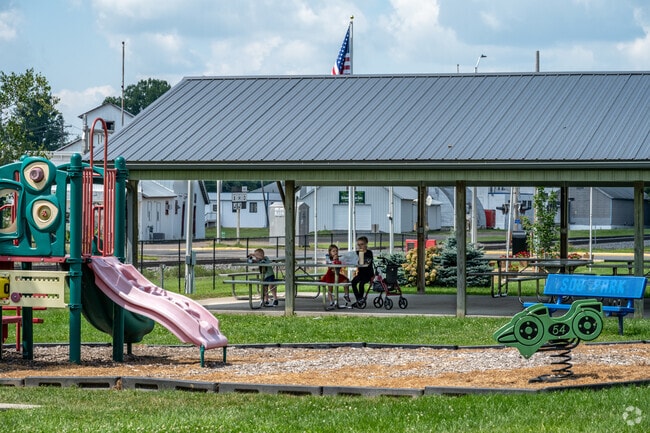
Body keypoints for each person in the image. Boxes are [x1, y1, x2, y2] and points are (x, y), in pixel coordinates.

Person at [321, 244, 349, 309]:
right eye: (333, 251)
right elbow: (329, 266)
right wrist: (333, 260)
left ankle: (346, 295)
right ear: (330, 252)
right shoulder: (328, 258)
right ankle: (331, 300)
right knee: (330, 287)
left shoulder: (339, 257)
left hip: (337, 274)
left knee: (346, 280)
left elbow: (342, 264)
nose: (335, 252)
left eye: (336, 251)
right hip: (330, 274)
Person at [350, 236, 374, 308]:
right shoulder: (357, 252)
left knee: (361, 284)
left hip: (368, 274)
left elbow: (366, 262)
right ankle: (359, 299)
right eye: (359, 245)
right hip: (361, 273)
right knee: (353, 282)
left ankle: (360, 301)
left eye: (362, 244)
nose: (360, 246)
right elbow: (353, 260)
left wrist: (361, 254)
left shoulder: (369, 253)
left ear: (366, 244)